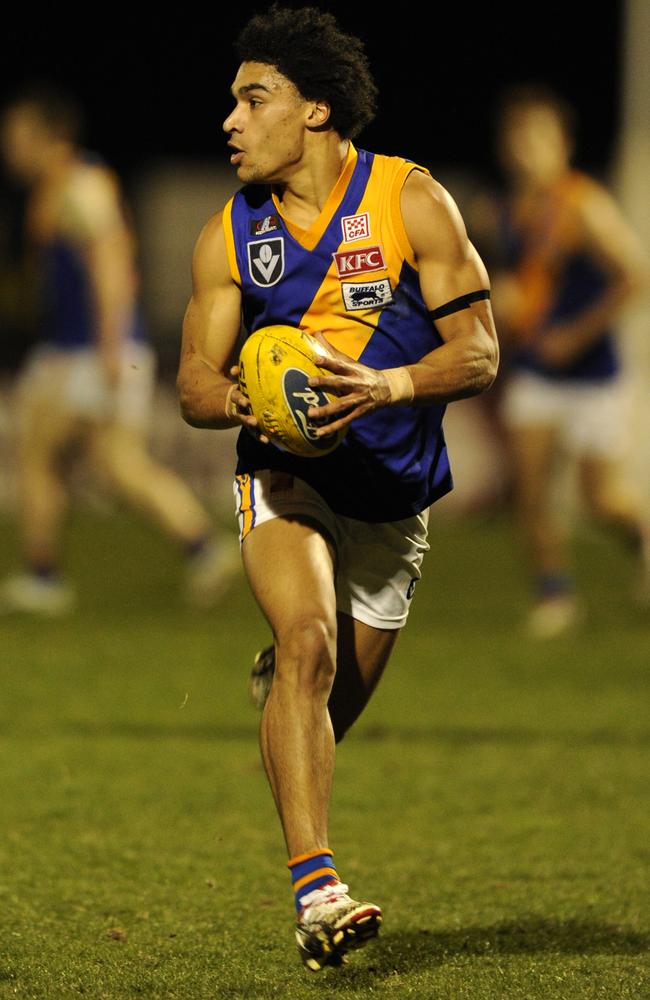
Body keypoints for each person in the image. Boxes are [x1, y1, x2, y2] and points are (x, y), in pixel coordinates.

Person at [177, 6, 498, 971]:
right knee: (306, 646)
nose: (230, 120)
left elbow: (478, 350)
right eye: (232, 101)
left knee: (322, 709)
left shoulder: (410, 201)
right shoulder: (230, 233)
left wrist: (389, 385)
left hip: (395, 496)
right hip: (287, 479)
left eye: (253, 98)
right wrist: (250, 397)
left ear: (316, 110)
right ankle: (319, 894)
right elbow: (193, 381)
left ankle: (287, 698)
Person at [0, 86, 239, 616]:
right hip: (86, 347)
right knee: (118, 462)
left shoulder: (80, 185)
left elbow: (110, 263)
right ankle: (202, 546)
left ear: (47, 136)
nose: (9, 147)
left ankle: (43, 577)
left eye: (16, 136)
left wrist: (110, 347)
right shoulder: (61, 185)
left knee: (38, 457)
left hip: (84, 351)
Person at [489, 86, 649, 637]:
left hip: (595, 375)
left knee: (599, 499)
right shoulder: (508, 212)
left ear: (563, 144)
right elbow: (524, 296)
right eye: (516, 137)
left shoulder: (583, 204)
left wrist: (575, 336)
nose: (525, 148)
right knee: (529, 491)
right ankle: (555, 596)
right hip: (538, 372)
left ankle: (643, 536)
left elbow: (634, 276)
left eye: (537, 136)